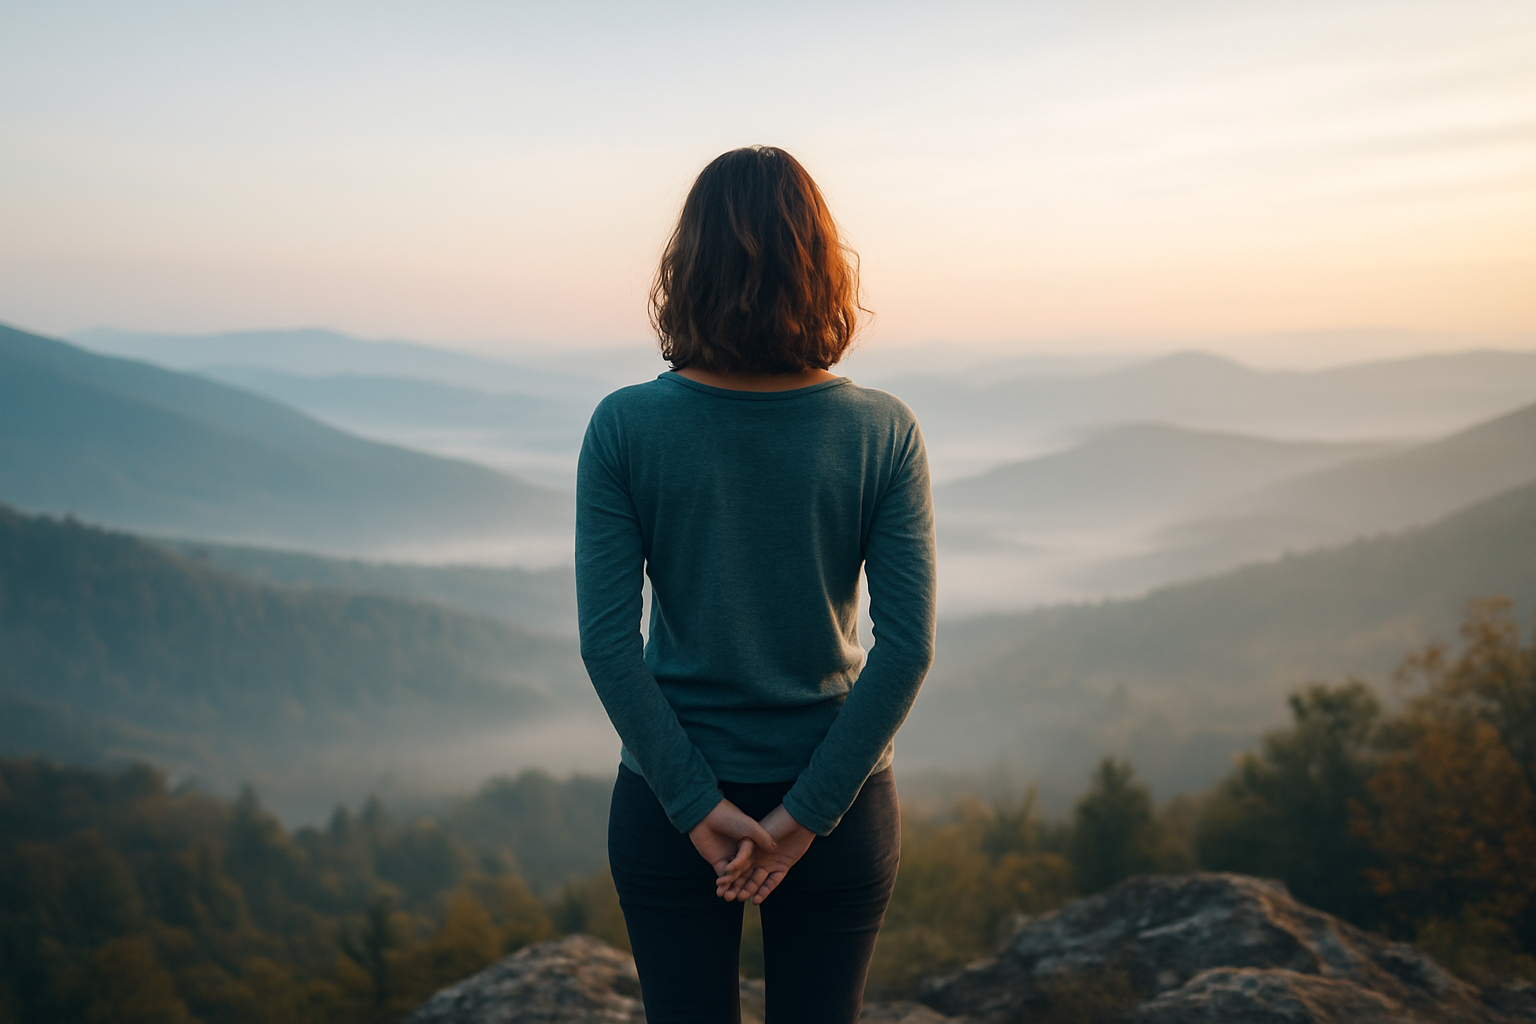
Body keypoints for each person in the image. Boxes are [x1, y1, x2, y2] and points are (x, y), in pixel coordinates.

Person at [575, 145, 937, 1024]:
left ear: (685, 267)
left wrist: (699, 809)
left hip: (670, 799)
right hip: (839, 803)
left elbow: (608, 645)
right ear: (820, 269)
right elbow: (906, 652)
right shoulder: (882, 431)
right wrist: (801, 821)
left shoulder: (626, 427)